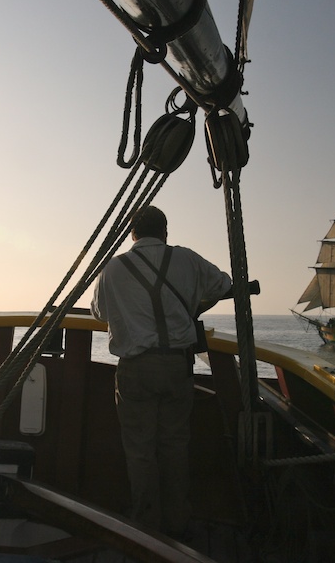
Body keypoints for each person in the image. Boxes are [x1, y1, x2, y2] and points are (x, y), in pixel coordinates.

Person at [90, 206, 232, 538]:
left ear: (131, 234)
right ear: (165, 231)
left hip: (136, 369)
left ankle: (146, 526)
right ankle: (178, 524)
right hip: (177, 366)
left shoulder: (113, 268)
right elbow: (224, 284)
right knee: (175, 445)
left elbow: (99, 313)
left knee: (140, 449)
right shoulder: (187, 259)